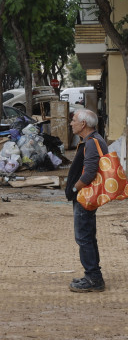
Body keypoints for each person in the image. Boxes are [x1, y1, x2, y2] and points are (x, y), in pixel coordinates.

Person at [64, 108, 108, 292]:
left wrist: (74, 188)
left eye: (73, 120)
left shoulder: (91, 143)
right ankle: (93, 275)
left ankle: (94, 279)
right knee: (88, 235)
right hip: (87, 197)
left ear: (83, 124)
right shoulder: (95, 140)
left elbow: (90, 172)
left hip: (85, 197)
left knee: (83, 237)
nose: (71, 123)